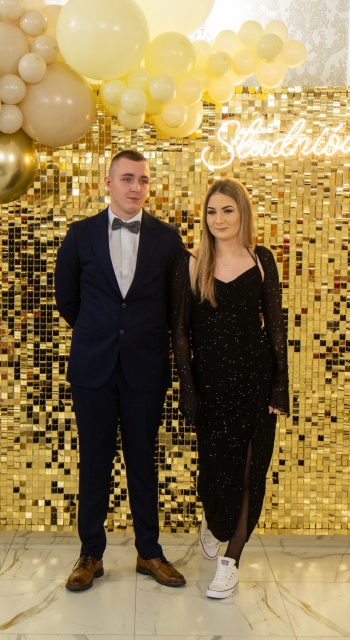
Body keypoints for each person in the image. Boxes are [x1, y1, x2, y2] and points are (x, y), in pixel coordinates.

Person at [54, 149, 186, 591]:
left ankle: (150, 552)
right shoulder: (80, 234)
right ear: (107, 183)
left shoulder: (167, 239)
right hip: (93, 367)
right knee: (94, 463)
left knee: (143, 463)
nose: (136, 187)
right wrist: (100, 332)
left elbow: (176, 306)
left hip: (145, 368)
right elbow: (67, 299)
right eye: (127, 178)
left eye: (143, 180)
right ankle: (90, 554)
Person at [171, 177, 290, 599]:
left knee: (250, 474)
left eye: (227, 210)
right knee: (214, 474)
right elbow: (180, 333)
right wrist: (188, 388)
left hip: (256, 383)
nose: (218, 219)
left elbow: (275, 326)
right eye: (211, 211)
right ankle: (213, 518)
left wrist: (281, 385)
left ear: (242, 213)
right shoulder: (192, 262)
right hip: (212, 387)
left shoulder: (261, 259)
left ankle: (231, 560)